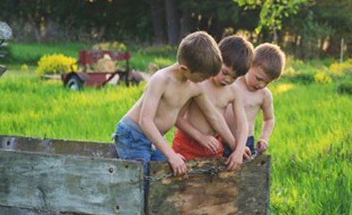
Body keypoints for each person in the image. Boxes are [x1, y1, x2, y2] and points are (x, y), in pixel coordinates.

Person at [112, 31, 236, 177]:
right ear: (185, 69)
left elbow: (214, 116)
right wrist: (172, 155)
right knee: (142, 180)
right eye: (202, 76)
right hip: (133, 134)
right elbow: (145, 121)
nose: (205, 80)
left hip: (155, 136)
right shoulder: (161, 80)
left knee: (166, 176)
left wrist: (235, 146)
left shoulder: (195, 86)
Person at [172, 35, 254, 169]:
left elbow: (242, 124)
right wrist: (200, 137)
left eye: (234, 77)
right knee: (183, 185)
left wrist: (238, 149)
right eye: (225, 72)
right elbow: (176, 118)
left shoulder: (234, 91)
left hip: (214, 147)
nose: (227, 80)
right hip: (188, 144)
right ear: (216, 59)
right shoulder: (198, 82)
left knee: (211, 185)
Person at [225, 43, 285, 156]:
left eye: (267, 82)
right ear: (249, 64)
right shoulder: (232, 83)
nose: (261, 84)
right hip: (222, 138)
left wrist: (264, 138)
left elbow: (269, 119)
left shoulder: (264, 95)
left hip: (246, 141)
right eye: (258, 78)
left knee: (244, 171)